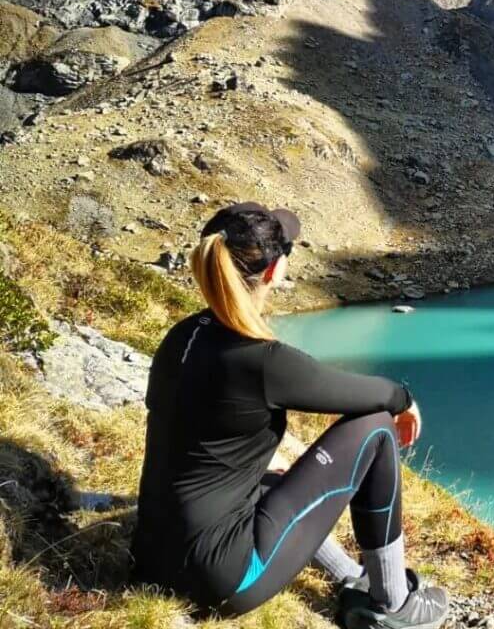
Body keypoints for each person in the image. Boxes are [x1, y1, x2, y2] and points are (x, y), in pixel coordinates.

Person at [130, 202, 449, 629]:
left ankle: (349, 577)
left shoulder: (181, 337)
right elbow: (372, 395)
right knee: (376, 429)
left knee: (271, 476)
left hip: (151, 560)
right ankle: (392, 604)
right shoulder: (264, 361)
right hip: (221, 580)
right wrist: (404, 399)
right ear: (273, 272)